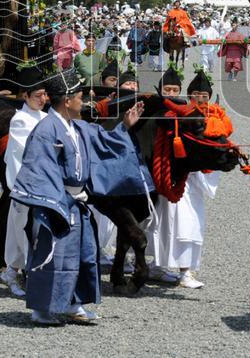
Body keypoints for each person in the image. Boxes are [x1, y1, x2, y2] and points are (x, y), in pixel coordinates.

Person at [10, 68, 148, 325]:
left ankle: (74, 304)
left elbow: (104, 141)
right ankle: (42, 309)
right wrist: (56, 202)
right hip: (56, 203)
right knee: (54, 256)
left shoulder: (78, 127)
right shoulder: (46, 130)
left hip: (77, 202)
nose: (84, 102)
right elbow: (40, 170)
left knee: (83, 254)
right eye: (81, 97)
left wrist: (125, 126)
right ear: (66, 100)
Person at [147, 67, 228, 289]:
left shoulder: (215, 118)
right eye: (196, 96)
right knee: (161, 224)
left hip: (193, 181)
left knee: (189, 226)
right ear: (189, 96)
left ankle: (185, 271)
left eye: (205, 97)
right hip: (169, 177)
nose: (200, 100)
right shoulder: (171, 114)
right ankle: (157, 265)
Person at [0, 65, 49, 297]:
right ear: (25, 96)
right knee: (23, 232)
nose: (43, 99)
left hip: (42, 184)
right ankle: (22, 276)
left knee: (27, 233)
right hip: (25, 184)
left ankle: (13, 273)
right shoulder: (20, 120)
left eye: (44, 94)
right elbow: (27, 153)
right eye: (37, 95)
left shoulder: (46, 117)